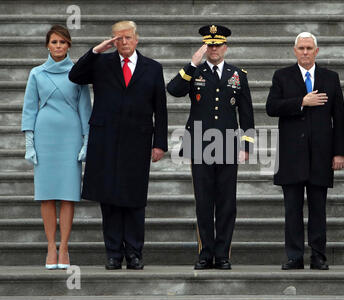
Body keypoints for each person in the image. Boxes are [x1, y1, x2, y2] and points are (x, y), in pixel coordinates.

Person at [69, 21, 168, 270]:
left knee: (134, 199)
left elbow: (161, 108)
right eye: (118, 38)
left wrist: (160, 144)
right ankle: (113, 253)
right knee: (109, 198)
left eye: (127, 37)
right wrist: (95, 51)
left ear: (136, 39)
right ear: (112, 40)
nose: (123, 42)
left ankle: (134, 253)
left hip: (138, 139)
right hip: (106, 139)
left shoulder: (153, 68)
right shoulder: (101, 63)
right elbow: (75, 76)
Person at [167, 24, 255, 270]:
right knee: (203, 202)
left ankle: (222, 254)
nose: (214, 49)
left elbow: (246, 112)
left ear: (225, 47)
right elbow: (173, 90)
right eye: (209, 45)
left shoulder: (238, 74)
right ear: (204, 47)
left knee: (227, 203)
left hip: (228, 144)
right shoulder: (195, 71)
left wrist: (246, 145)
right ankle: (205, 253)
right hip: (199, 145)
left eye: (218, 45)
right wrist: (191, 64)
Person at [266, 32, 344, 270]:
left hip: (321, 155)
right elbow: (271, 107)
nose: (305, 52)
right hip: (291, 156)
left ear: (316, 51)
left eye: (309, 48)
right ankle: (294, 256)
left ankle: (318, 255)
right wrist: (302, 101)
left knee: (318, 209)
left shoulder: (330, 78)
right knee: (292, 210)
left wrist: (339, 152)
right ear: (294, 50)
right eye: (301, 48)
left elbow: (339, 118)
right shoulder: (282, 76)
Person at [21, 25, 91, 270]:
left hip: (70, 136)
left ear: (69, 45)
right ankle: (51, 246)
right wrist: (30, 143)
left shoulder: (78, 72)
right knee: (47, 194)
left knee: (68, 194)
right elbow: (29, 108)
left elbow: (85, 108)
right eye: (54, 42)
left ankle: (65, 247)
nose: (58, 46)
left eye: (62, 42)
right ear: (47, 45)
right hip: (45, 136)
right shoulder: (36, 73)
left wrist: (86, 141)